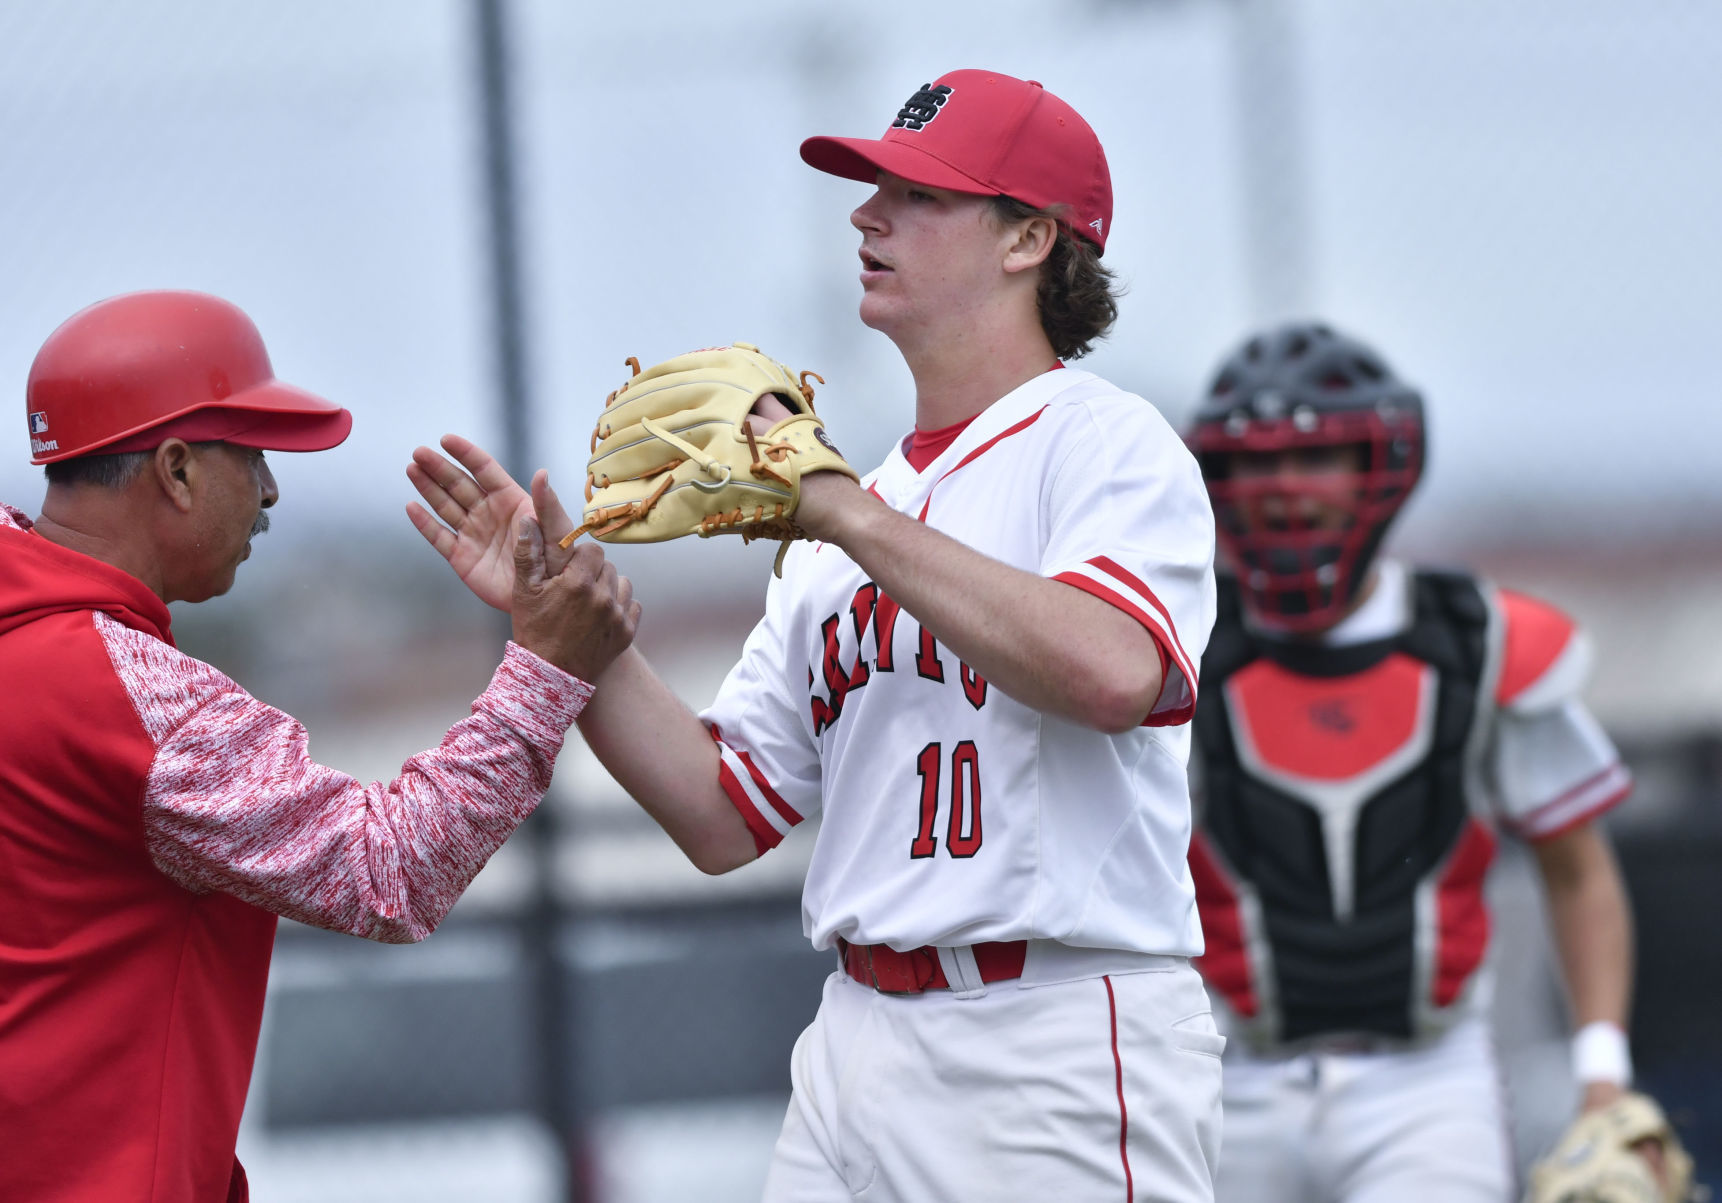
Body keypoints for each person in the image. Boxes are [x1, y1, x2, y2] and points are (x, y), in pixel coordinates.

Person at [408, 69, 1222, 1202]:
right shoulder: (859, 504)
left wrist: (837, 506)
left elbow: (1114, 670)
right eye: (873, 186)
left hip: (1052, 1038)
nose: (866, 214)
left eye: (920, 194)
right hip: (853, 1041)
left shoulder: (1102, 446)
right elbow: (721, 812)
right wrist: (566, 629)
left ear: (1030, 236)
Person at [0, 290, 640, 1203]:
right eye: (251, 453)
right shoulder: (119, 692)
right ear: (177, 470)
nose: (268, 490)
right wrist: (546, 668)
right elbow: (391, 867)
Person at [1182, 320, 1642, 1202]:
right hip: (1222, 1069)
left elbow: (1579, 872)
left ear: (1378, 465)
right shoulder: (1172, 648)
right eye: (1255, 463)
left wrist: (1603, 1077)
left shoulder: (1482, 642)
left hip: (1428, 1083)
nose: (1281, 489)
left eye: (1315, 459)